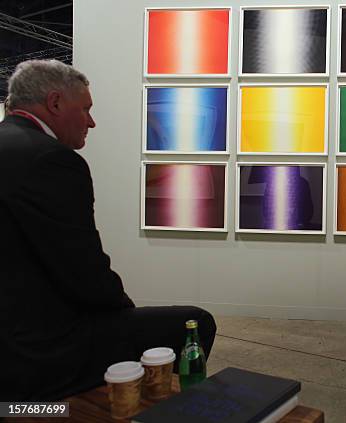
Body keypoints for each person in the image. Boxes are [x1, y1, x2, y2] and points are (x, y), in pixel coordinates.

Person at [0, 60, 216, 401]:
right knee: (194, 323)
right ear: (55, 103)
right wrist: (124, 313)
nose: (91, 121)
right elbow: (83, 270)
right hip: (33, 355)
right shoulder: (51, 160)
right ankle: (156, 410)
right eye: (85, 109)